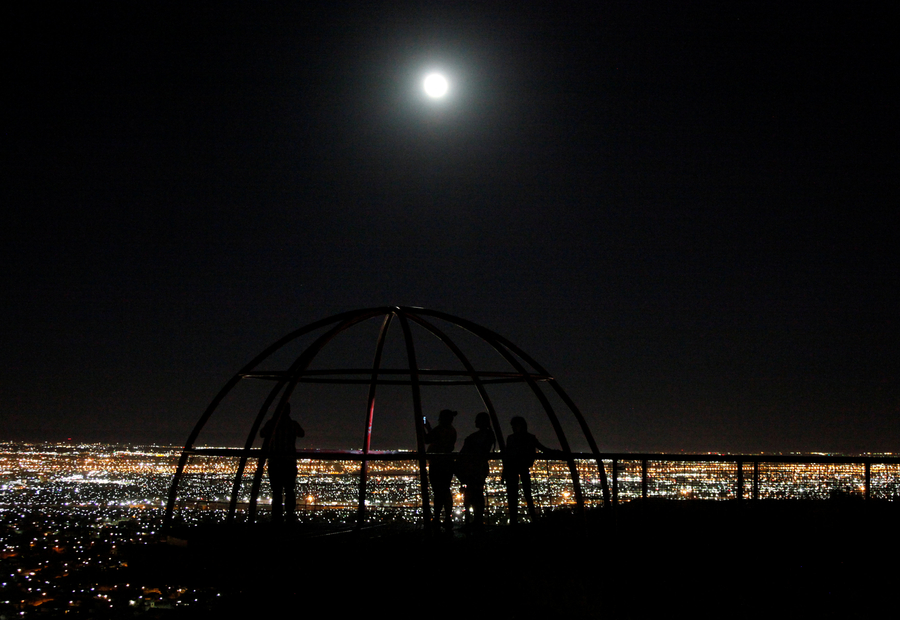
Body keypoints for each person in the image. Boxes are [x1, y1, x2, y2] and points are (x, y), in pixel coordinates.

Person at [503, 416, 556, 524]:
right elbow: (542, 448)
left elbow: (507, 456)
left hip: (514, 468)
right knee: (526, 495)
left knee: (515, 496)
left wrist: (504, 471)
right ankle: (532, 520)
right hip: (520, 468)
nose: (513, 428)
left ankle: (515, 521)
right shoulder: (528, 438)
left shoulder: (512, 438)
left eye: (515, 425)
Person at [260, 402, 304, 524]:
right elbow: (302, 433)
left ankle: (277, 517)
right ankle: (290, 516)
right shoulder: (292, 424)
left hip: (275, 462)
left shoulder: (271, 424)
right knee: (289, 490)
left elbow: (262, 433)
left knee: (277, 492)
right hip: (289, 462)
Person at [456, 411, 496, 529]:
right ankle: (476, 520)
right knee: (476, 494)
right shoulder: (488, 435)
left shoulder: (478, 437)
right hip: (478, 467)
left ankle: (473, 521)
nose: (475, 422)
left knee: (473, 494)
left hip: (474, 468)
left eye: (477, 420)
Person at [423, 409, 457, 530]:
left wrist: (426, 427)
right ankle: (447, 517)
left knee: (438, 492)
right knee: (445, 491)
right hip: (447, 464)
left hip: (437, 464)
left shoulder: (441, 429)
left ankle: (437, 518)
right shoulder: (452, 431)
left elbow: (427, 439)